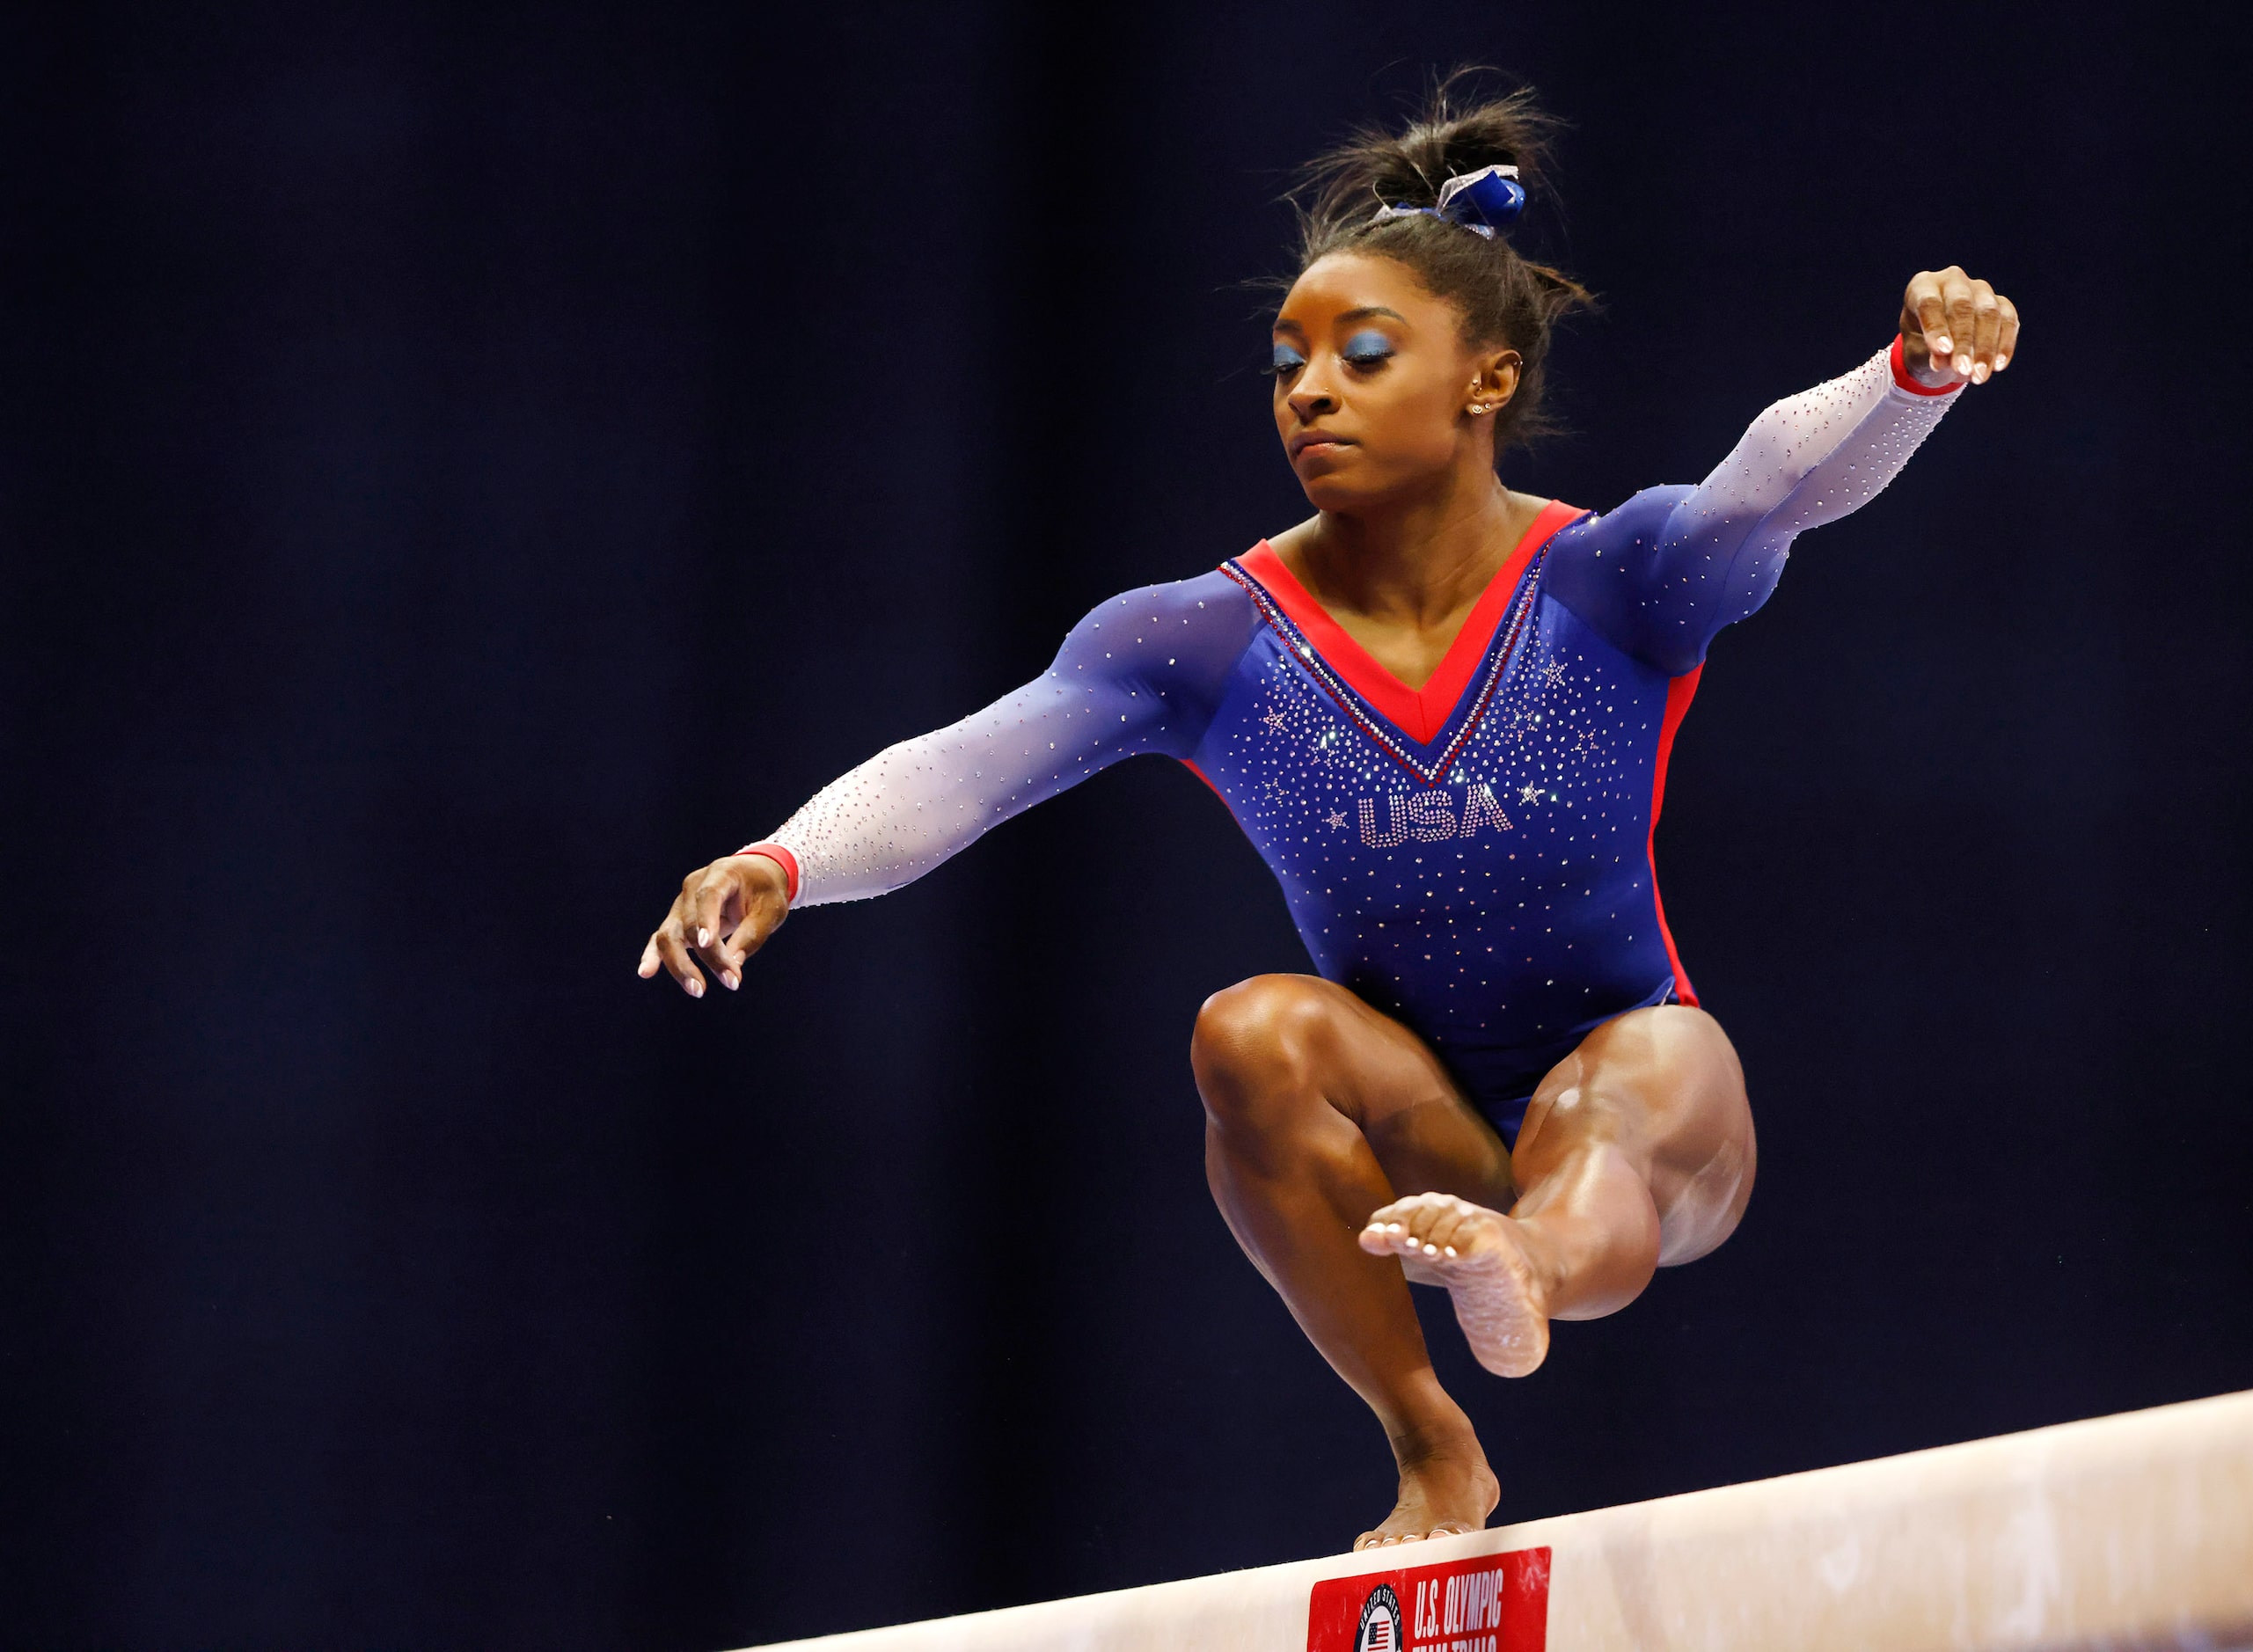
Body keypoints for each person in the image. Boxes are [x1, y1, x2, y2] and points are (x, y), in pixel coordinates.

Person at [638, 79, 2017, 1550]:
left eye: (1363, 356)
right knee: (1249, 1029)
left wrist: (1910, 372)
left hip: (1648, 1134)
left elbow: (1769, 486)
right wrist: (781, 857)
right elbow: (971, 764)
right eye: (1289, 360)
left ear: (1483, 380)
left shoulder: (1610, 583)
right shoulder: (1200, 640)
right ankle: (1434, 1445)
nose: (1308, 390)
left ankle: (1524, 1267)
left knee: (1648, 1063)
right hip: (1410, 1140)